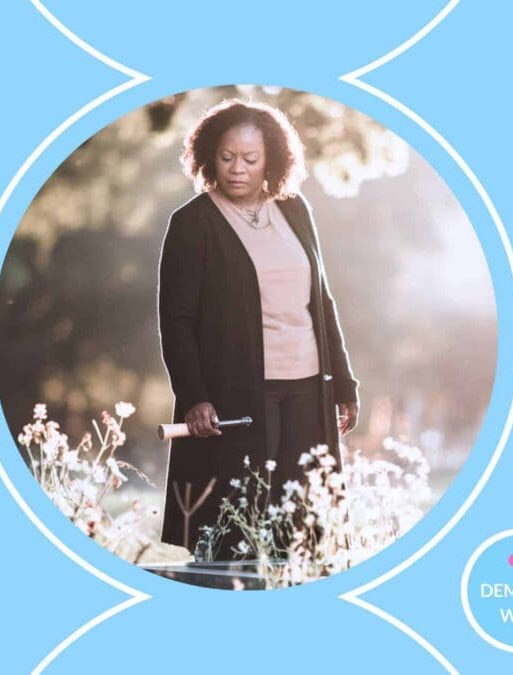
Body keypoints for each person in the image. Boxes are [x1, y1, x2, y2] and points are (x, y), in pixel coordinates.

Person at [157, 99, 360, 559]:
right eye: (227, 157)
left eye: (250, 159)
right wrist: (195, 396)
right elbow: (176, 321)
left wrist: (344, 383)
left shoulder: (295, 209)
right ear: (209, 155)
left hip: (308, 386)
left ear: (272, 159)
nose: (237, 169)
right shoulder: (192, 223)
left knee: (303, 523)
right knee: (237, 527)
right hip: (238, 394)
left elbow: (322, 302)